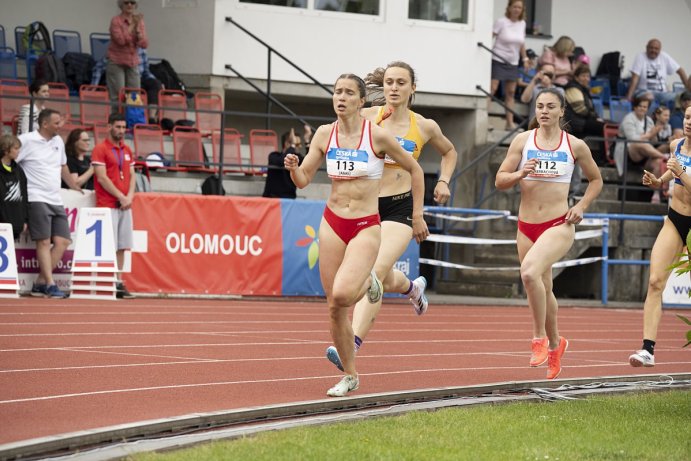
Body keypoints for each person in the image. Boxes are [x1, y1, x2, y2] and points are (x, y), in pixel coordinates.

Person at [283, 73, 426, 397]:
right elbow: (304, 179)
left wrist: (417, 214)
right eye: (337, 92)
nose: (341, 97)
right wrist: (293, 167)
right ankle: (350, 375)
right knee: (334, 305)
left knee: (346, 294)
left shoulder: (376, 136)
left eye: (349, 93)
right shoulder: (324, 134)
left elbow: (416, 170)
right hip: (333, 221)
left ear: (361, 102)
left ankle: (372, 282)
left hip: (365, 224)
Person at [324, 61, 457, 372]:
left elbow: (449, 152)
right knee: (380, 276)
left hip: (399, 208)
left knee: (373, 273)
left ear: (412, 89)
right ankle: (413, 288)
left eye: (400, 83)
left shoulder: (424, 126)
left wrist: (443, 181)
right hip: (367, 209)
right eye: (388, 82)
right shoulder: (368, 116)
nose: (394, 88)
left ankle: (351, 344)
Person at [495, 89, 603, 379]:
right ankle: (557, 345)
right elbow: (500, 180)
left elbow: (596, 180)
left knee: (529, 274)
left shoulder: (574, 145)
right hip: (526, 226)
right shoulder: (523, 141)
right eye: (539, 106)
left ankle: (538, 338)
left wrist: (581, 205)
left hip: (558, 223)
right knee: (544, 286)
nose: (543, 111)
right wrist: (519, 174)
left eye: (550, 106)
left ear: (561, 111)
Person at [629, 105, 691, 367]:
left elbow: (679, 173)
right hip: (675, 219)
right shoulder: (676, 144)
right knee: (655, 281)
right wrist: (658, 181)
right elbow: (671, 172)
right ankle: (647, 350)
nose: (689, 123)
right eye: (688, 117)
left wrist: (680, 174)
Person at [17, 109, 82, 298]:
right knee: (44, 241)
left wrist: (74, 186)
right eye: (56, 123)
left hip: (55, 198)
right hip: (35, 196)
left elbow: (62, 166)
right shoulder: (26, 140)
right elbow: (12, 162)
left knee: (63, 241)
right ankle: (51, 283)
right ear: (44, 124)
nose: (60, 126)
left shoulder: (58, 141)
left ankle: (40, 282)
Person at [91, 113, 136, 299]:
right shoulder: (100, 149)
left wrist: (129, 197)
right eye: (118, 127)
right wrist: (121, 196)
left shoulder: (127, 150)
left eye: (124, 127)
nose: (121, 131)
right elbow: (101, 178)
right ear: (109, 127)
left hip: (125, 205)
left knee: (122, 246)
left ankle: (118, 282)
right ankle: (106, 281)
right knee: (109, 245)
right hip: (108, 203)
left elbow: (132, 175)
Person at [616, 96, 667, 202]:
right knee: (641, 144)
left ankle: (656, 193)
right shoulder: (628, 119)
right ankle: (664, 156)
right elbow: (632, 139)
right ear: (634, 107)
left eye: (645, 107)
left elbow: (653, 142)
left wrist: (654, 134)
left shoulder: (648, 120)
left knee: (658, 161)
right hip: (629, 151)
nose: (642, 109)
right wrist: (649, 134)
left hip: (646, 153)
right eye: (640, 106)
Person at [489, 0, 527, 130]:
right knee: (492, 89)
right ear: (509, 8)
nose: (517, 9)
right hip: (498, 59)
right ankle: (485, 120)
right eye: (515, 6)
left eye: (519, 7)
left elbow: (521, 43)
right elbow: (490, 37)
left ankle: (509, 123)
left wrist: (525, 58)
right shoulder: (501, 22)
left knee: (511, 92)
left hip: (513, 62)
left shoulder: (522, 24)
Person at [106, 0, 149, 106]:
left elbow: (144, 44)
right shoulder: (116, 21)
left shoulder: (139, 21)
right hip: (117, 61)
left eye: (132, 2)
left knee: (134, 97)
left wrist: (139, 34)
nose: (129, 5)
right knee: (118, 96)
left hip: (132, 62)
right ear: (121, 5)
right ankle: (117, 121)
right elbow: (121, 41)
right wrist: (132, 27)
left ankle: (132, 120)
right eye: (126, 2)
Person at [625, 39, 690, 107]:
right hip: (643, 92)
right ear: (646, 47)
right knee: (649, 97)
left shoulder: (664, 56)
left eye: (656, 49)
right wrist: (629, 97)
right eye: (651, 48)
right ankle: (650, 117)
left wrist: (688, 90)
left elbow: (680, 71)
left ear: (660, 50)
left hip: (662, 93)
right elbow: (635, 79)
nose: (653, 50)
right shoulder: (640, 57)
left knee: (681, 97)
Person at [262, 126, 312, 199]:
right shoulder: (273, 156)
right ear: (287, 143)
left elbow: (309, 162)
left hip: (289, 200)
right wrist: (292, 145)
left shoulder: (296, 159)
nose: (300, 147)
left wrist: (307, 141)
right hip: (271, 199)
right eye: (297, 144)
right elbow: (283, 160)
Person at [0, 135, 29, 240]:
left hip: (16, 223)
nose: (18, 151)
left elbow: (24, 196)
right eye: (16, 148)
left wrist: (25, 220)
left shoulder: (19, 171)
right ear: (6, 150)